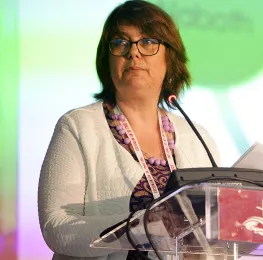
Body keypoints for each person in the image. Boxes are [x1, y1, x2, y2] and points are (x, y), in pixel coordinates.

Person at [37, 1, 220, 259]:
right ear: (107, 59)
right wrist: (143, 225)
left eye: (147, 42)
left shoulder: (198, 139)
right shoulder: (78, 127)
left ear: (170, 59)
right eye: (121, 43)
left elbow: (213, 235)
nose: (133, 53)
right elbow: (56, 227)